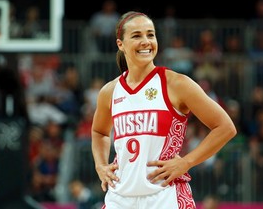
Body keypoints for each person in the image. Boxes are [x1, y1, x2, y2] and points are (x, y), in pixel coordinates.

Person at [91, 11, 237, 209]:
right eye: (136, 36)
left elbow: (226, 127)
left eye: (150, 34)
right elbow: (99, 132)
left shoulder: (176, 83)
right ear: (120, 44)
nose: (146, 41)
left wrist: (186, 162)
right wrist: (100, 165)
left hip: (165, 196)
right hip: (119, 197)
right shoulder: (110, 91)